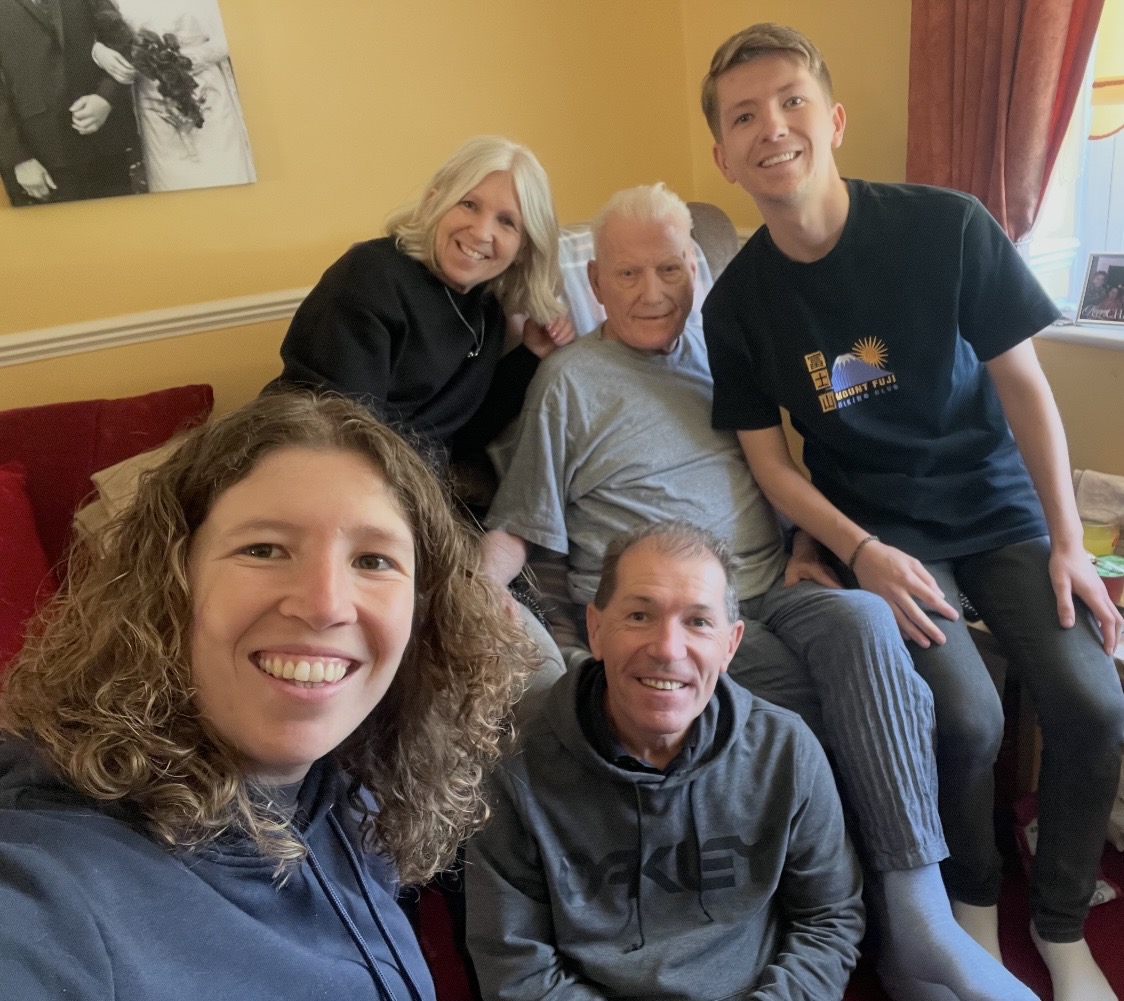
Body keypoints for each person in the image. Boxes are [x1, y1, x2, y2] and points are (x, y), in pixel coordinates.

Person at [482, 182, 1036, 1001]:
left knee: (863, 619)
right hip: (672, 619)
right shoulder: (567, 381)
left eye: (670, 268)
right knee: (867, 700)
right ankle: (867, 919)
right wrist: (474, 589)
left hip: (769, 589)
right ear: (595, 284)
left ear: (698, 269)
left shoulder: (728, 354)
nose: (652, 291)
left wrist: (809, 542)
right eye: (628, 274)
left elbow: (786, 475)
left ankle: (917, 913)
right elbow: (521, 521)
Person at [700, 22, 1124, 1001]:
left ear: (834, 119)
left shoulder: (946, 226)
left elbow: (1025, 389)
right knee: (964, 716)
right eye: (743, 116)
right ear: (723, 154)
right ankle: (972, 898)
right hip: (880, 530)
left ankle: (1060, 922)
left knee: (1094, 699)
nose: (773, 127)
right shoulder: (736, 306)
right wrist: (857, 550)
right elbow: (769, 464)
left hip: (997, 505)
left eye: (791, 101)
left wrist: (1067, 540)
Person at [0, 391, 538, 1000]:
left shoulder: (351, 793)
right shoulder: (54, 893)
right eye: (263, 549)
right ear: (169, 584)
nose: (326, 604)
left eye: (373, 560)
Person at [467, 521, 865, 1001]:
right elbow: (514, 965)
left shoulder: (787, 751)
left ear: (730, 645)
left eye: (698, 622)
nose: (667, 649)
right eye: (639, 615)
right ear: (596, 629)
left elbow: (829, 918)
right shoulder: (516, 764)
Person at [265, 134, 574, 468]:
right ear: (433, 202)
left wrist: (530, 355)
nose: (481, 232)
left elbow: (461, 436)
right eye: (468, 204)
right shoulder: (372, 275)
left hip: (400, 479)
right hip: (310, 464)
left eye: (506, 221)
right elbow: (341, 438)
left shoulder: (487, 306)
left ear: (523, 248)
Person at [88, 0, 255, 192]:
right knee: (173, 185)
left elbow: (233, 35)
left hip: (208, 95)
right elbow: (96, 30)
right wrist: (98, 51)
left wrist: (182, 63)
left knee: (225, 175)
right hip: (154, 104)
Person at [0, 0, 138, 205]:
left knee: (120, 222)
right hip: (41, 157)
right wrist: (18, 158)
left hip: (104, 140)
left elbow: (120, 38)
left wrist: (106, 97)